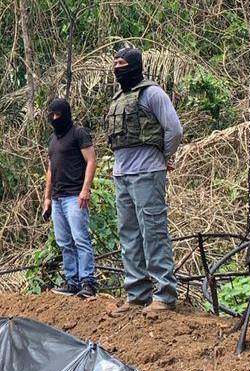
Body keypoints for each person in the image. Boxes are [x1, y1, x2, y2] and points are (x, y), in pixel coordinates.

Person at [104, 47, 183, 315]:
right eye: (114, 63)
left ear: (135, 66)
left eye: (122, 63)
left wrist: (163, 156)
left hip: (148, 172)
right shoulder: (119, 97)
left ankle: (165, 295)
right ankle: (136, 294)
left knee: (153, 232)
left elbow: (174, 129)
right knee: (129, 235)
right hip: (122, 175)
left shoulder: (153, 94)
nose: (117, 67)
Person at [42, 98, 98, 297]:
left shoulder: (78, 133)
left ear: (66, 114)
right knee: (64, 242)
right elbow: (50, 169)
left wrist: (85, 190)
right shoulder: (52, 140)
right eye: (51, 115)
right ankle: (72, 281)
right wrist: (47, 197)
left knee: (80, 239)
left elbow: (91, 161)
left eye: (58, 114)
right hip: (57, 198)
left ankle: (88, 282)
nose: (55, 118)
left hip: (75, 196)